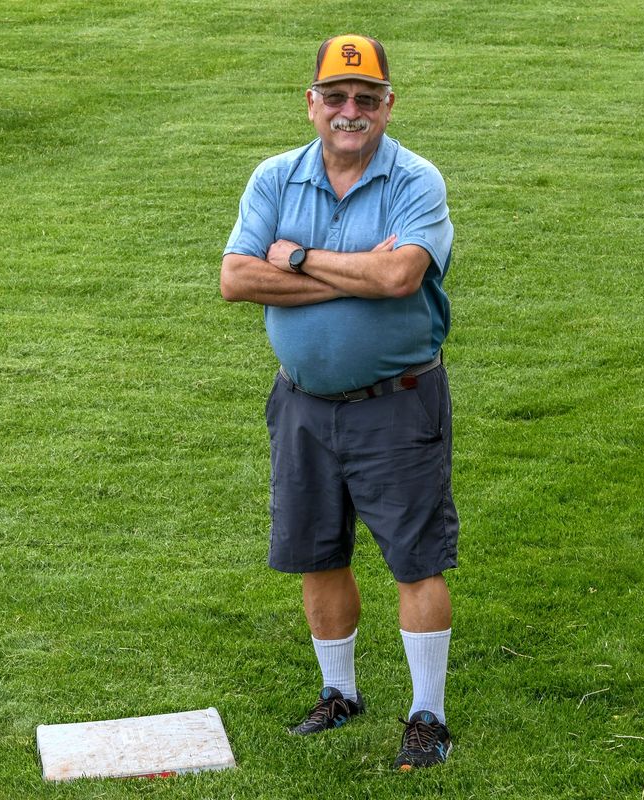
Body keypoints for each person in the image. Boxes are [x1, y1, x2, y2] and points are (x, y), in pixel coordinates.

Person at [220, 34, 458, 770]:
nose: (349, 111)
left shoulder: (417, 181)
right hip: (301, 404)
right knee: (316, 552)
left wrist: (292, 257)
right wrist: (356, 271)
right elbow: (235, 278)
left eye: (365, 98)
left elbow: (399, 279)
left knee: (414, 560)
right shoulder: (275, 176)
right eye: (335, 97)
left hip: (397, 403)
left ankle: (428, 716)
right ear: (312, 102)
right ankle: (340, 694)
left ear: (388, 104)